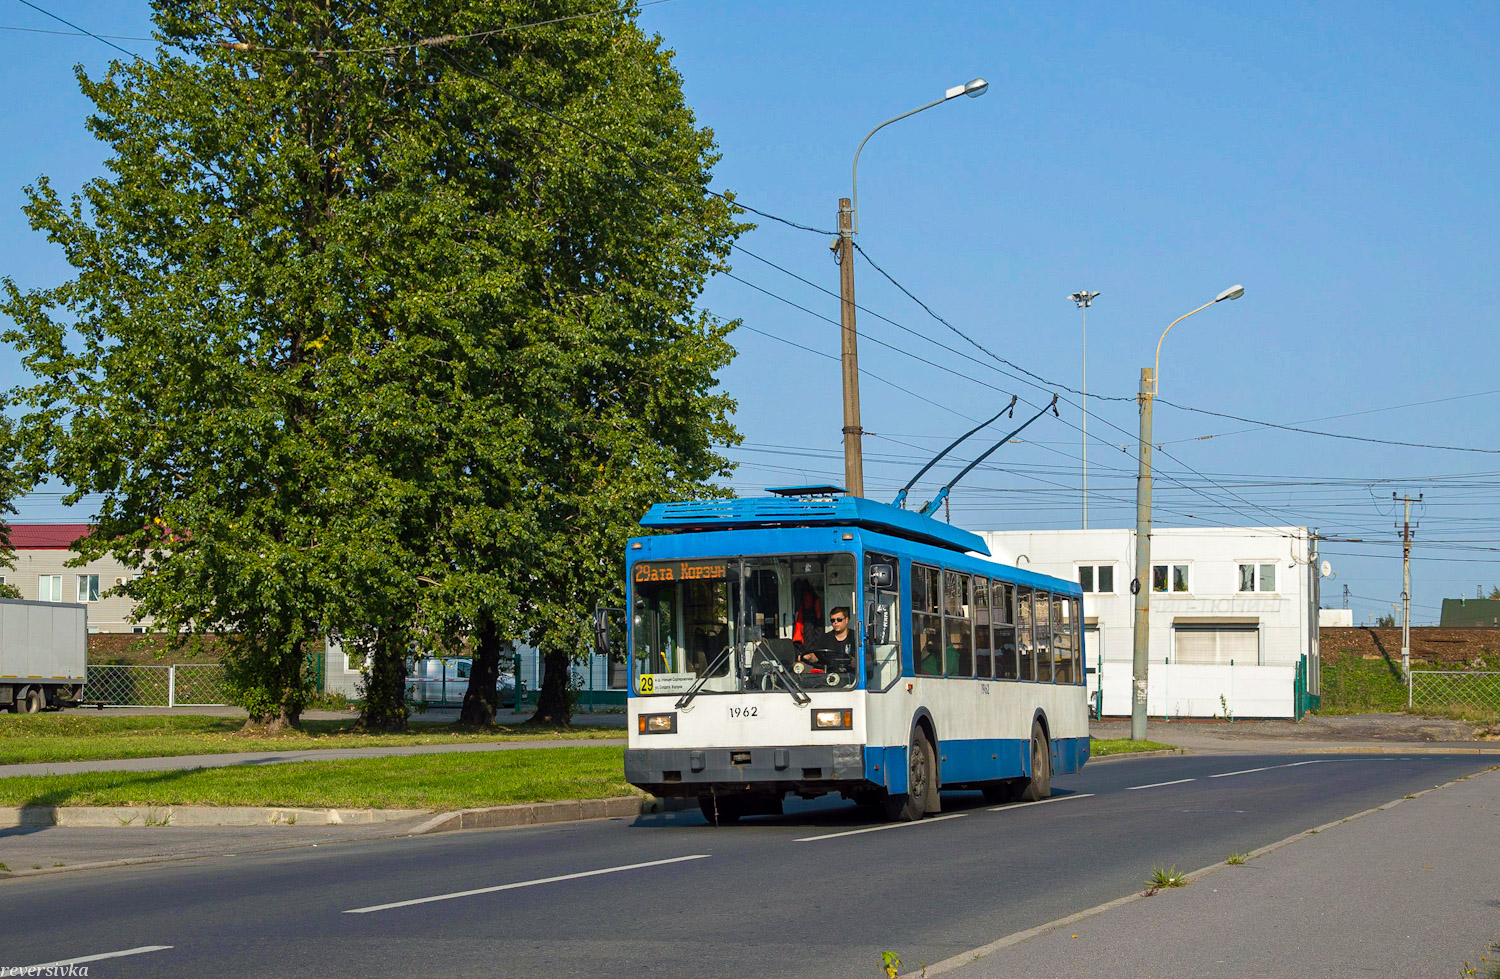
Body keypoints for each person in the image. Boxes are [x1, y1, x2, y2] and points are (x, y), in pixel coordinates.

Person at [803, 606, 855, 671]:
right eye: (833, 620)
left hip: (853, 677)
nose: (835, 622)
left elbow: (868, 659)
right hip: (830, 677)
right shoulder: (824, 638)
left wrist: (857, 662)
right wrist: (808, 657)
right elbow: (816, 656)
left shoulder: (856, 637)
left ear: (846, 620)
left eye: (839, 619)